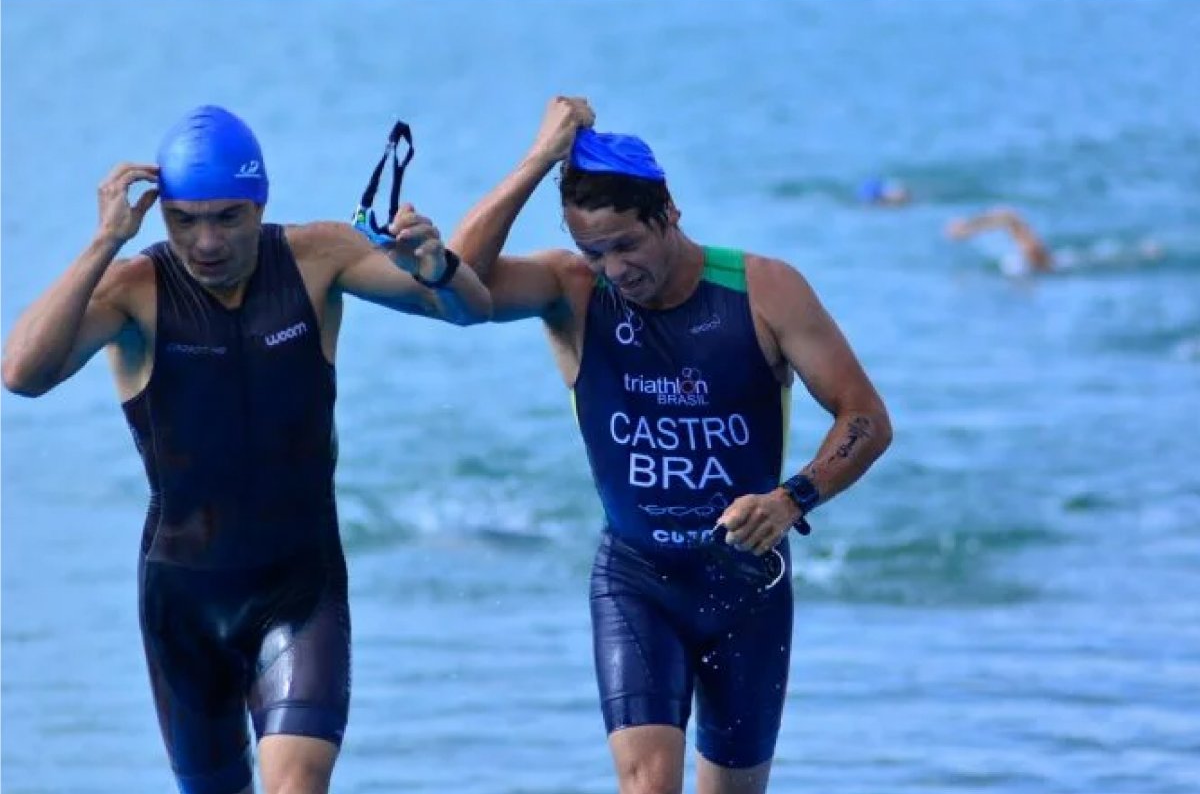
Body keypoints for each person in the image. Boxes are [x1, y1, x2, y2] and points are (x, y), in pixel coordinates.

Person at [1, 105, 491, 794]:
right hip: (184, 599)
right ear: (162, 215)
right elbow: (22, 374)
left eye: (229, 217)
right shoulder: (133, 291)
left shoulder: (319, 257)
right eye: (185, 220)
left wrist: (438, 266)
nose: (206, 241)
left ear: (260, 203)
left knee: (297, 784)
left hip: (301, 587)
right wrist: (104, 242)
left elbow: (473, 309)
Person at [448, 96, 893, 794]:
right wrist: (539, 158)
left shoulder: (763, 290)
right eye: (595, 250)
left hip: (748, 586)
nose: (615, 268)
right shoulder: (574, 292)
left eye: (627, 244)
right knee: (648, 785)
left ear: (670, 213)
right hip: (637, 582)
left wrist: (791, 497)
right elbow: (455, 281)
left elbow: (864, 418)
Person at [944, 206, 1053, 272]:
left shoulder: (1033, 249)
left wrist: (968, 227)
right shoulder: (1030, 252)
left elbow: (1008, 216)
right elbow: (1008, 216)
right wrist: (969, 227)